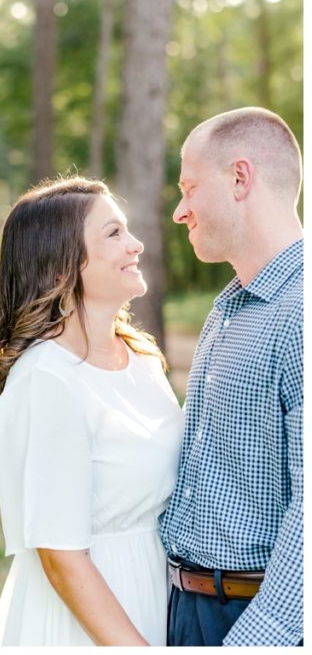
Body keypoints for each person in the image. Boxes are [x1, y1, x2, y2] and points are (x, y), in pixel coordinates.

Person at [0, 177, 185, 646]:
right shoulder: (47, 379)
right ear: (59, 270)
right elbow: (61, 556)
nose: (136, 245)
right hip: (86, 621)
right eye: (113, 234)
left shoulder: (142, 358)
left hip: (154, 595)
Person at [160, 107, 303, 646]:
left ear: (240, 178)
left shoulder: (301, 312)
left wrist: (257, 639)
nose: (180, 210)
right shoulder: (229, 307)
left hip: (252, 621)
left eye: (189, 187)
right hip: (186, 608)